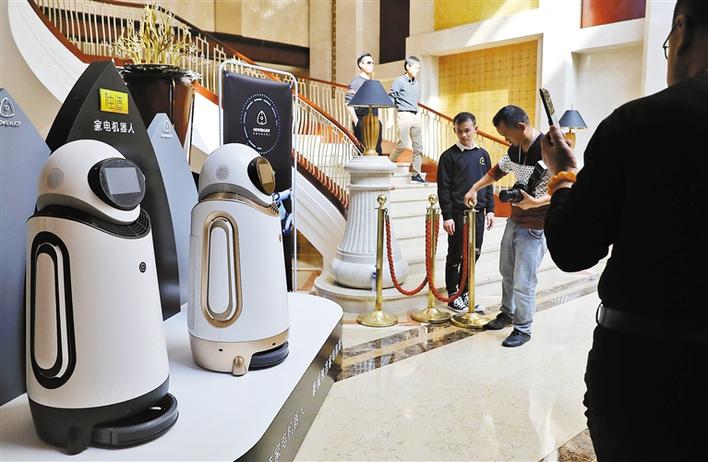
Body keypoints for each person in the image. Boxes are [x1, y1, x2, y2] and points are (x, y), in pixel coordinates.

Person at [540, 0, 708, 458]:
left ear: (681, 30)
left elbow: (572, 248)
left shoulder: (637, 124)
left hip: (644, 371)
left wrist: (563, 177)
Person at [463, 106, 550, 347]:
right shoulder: (515, 150)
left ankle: (523, 328)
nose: (505, 139)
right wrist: (474, 188)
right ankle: (507, 313)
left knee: (524, 280)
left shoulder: (549, 149)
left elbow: (567, 186)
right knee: (507, 272)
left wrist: (536, 202)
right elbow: (496, 172)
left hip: (536, 227)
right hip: (515, 220)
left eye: (506, 134)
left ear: (521, 127)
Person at [437, 112, 495, 313]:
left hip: (478, 214)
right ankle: (453, 295)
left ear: (476, 129)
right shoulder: (448, 157)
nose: (463, 135)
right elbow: (443, 189)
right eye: (459, 131)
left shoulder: (483, 155)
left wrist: (490, 210)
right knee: (456, 255)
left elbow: (488, 184)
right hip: (457, 215)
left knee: (474, 254)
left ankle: (465, 292)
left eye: (467, 130)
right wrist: (447, 216)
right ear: (455, 130)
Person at [389, 56, 425, 183]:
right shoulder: (399, 81)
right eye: (416, 68)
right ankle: (388, 165)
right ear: (408, 66)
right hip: (403, 114)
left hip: (415, 116)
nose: (418, 70)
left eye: (419, 68)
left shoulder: (417, 83)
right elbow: (392, 99)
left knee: (419, 147)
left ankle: (416, 173)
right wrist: (389, 118)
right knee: (402, 144)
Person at [345, 52, 382, 155]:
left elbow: (377, 103)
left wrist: (379, 121)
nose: (372, 65)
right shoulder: (356, 82)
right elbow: (348, 103)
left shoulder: (373, 83)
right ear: (361, 65)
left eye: (373, 63)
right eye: (369, 63)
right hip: (362, 121)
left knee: (377, 151)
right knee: (363, 151)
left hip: (374, 121)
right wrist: (356, 121)